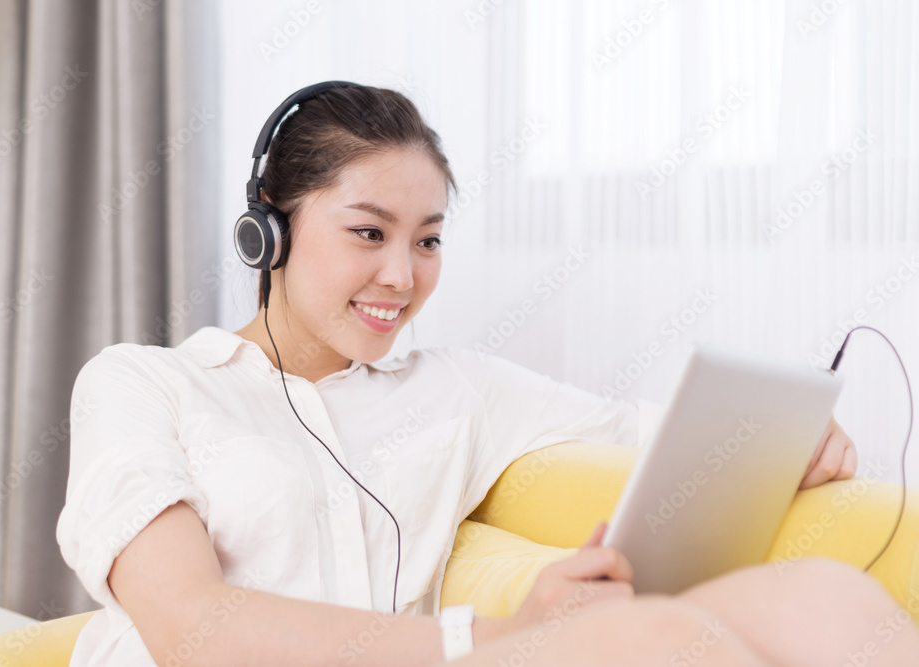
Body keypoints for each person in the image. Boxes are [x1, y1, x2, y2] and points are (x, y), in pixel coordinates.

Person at [56, 82, 919, 667]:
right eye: (369, 232)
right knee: (655, 636)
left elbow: (645, 427)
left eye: (427, 239)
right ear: (267, 234)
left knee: (824, 593)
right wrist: (498, 632)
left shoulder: (458, 389)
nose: (403, 274)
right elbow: (197, 629)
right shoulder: (141, 383)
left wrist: (781, 437)